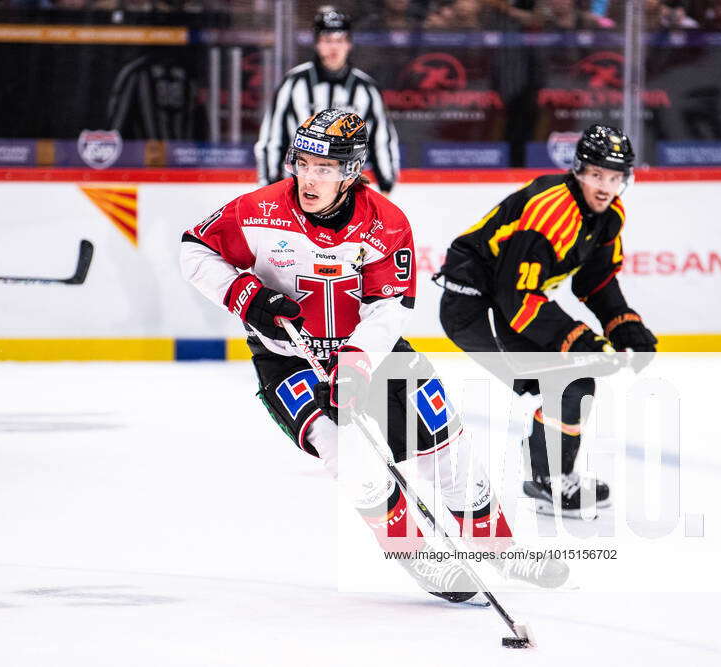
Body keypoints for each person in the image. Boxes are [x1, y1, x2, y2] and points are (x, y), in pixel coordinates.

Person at [182, 109, 566, 602]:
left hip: (374, 354)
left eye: (325, 168)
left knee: (448, 449)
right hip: (289, 359)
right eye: (303, 163)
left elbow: (391, 303)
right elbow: (195, 249)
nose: (309, 177)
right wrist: (244, 294)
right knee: (351, 459)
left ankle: (500, 547)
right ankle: (420, 557)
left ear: (351, 170)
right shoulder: (256, 210)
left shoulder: (385, 224)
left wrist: (357, 362)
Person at [435, 124, 657, 517]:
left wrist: (624, 324)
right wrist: (577, 338)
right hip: (473, 306)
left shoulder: (609, 214)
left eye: (614, 177)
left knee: (573, 381)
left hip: (501, 301)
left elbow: (596, 281)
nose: (605, 187)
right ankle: (549, 479)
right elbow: (516, 298)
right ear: (578, 171)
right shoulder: (551, 210)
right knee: (571, 380)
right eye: (596, 175)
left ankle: (550, 474)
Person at [254, 7, 400, 196]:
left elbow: (382, 141)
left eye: (340, 40)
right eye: (327, 40)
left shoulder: (366, 88)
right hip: (297, 189)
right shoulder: (293, 83)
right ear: (316, 43)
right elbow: (271, 140)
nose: (333, 47)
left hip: (347, 191)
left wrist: (386, 187)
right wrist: (269, 190)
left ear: (349, 44)